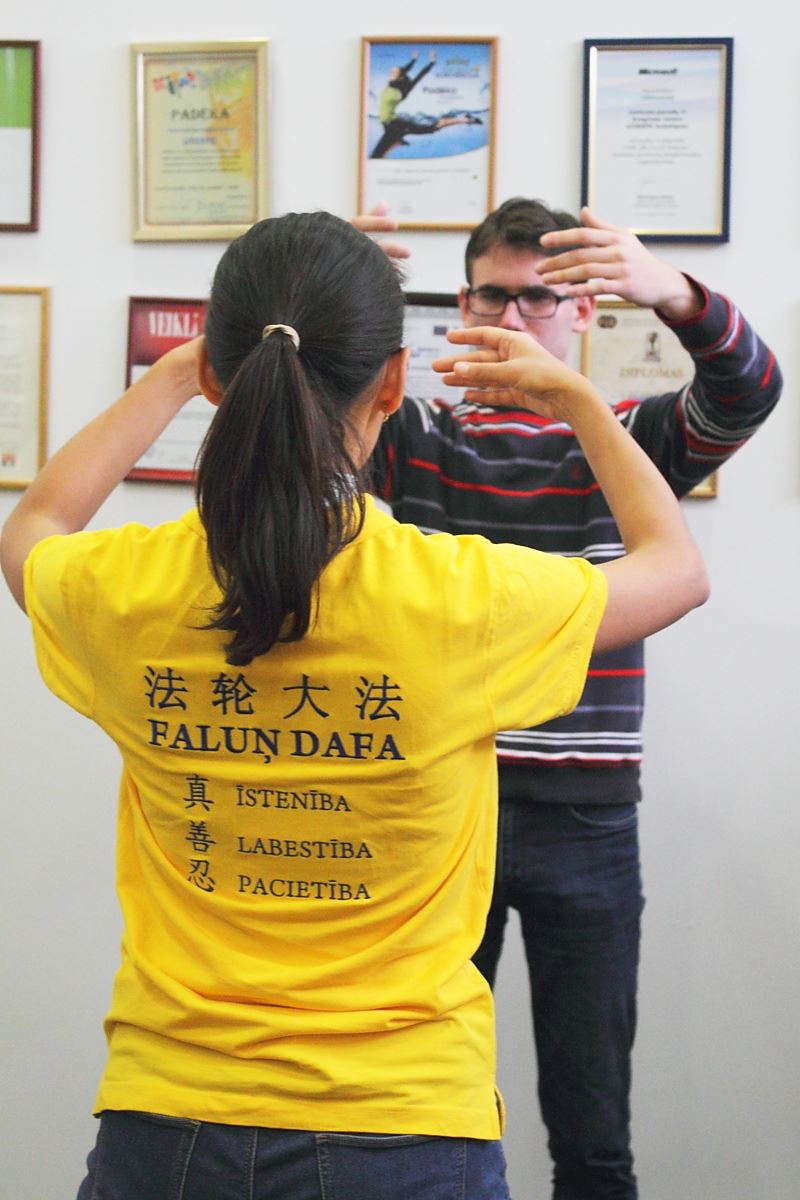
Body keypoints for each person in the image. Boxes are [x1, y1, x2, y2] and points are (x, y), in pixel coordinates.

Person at [0, 211, 708, 1200]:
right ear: (391, 383)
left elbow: (33, 522)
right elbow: (675, 569)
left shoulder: (123, 589)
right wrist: (581, 402)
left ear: (218, 377)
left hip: (167, 1121)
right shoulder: (459, 597)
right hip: (404, 1126)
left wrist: (176, 373)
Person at [360, 197, 782, 1200]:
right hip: (437, 812)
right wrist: (337, 294)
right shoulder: (411, 433)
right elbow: (286, 420)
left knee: (592, 1138)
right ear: (460, 306)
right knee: (410, 1115)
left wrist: (671, 291)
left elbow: (750, 389)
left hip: (586, 821)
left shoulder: (622, 440)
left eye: (537, 299)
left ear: (582, 311)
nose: (511, 320)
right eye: (491, 297)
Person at [370, 49, 481, 160]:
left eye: (394, 73)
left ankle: (466, 119)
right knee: (378, 155)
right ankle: (397, 141)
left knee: (433, 128)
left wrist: (432, 62)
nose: (390, 73)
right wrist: (414, 60)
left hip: (395, 125)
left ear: (401, 77)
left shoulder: (403, 89)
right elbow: (404, 69)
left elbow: (420, 75)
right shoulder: (392, 83)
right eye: (391, 71)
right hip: (389, 126)